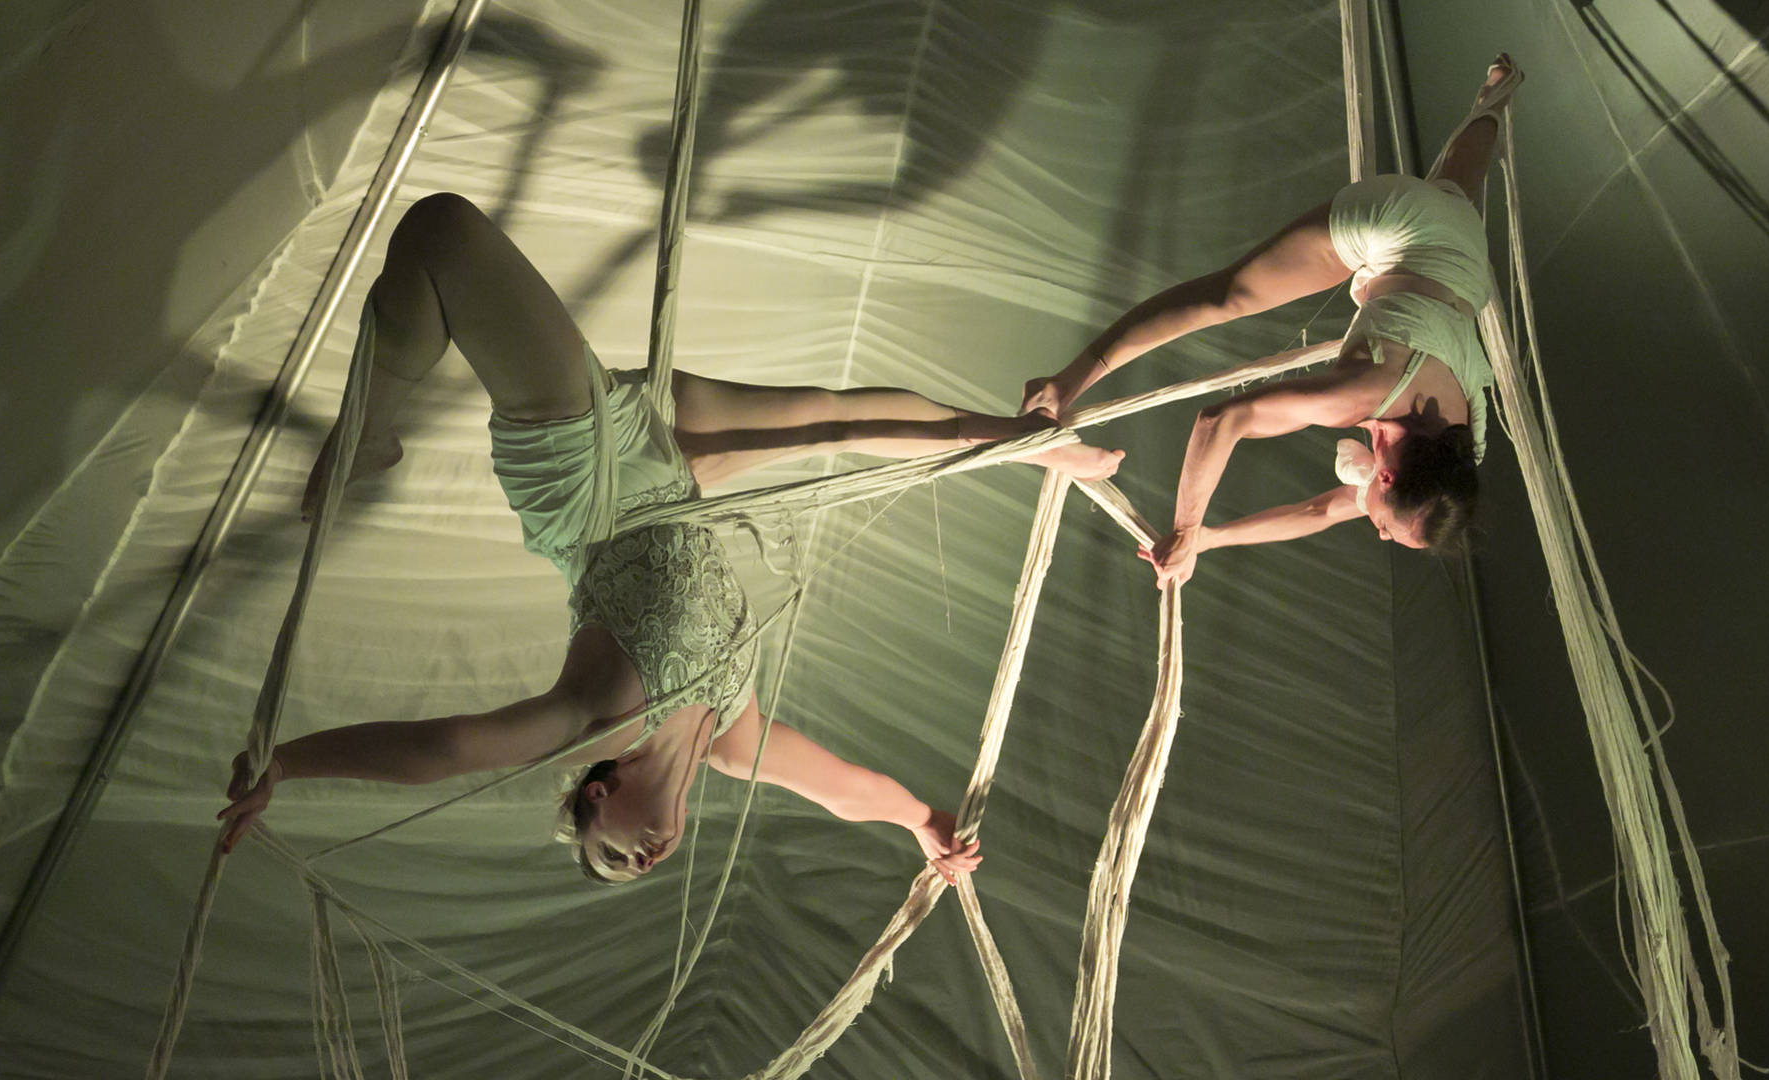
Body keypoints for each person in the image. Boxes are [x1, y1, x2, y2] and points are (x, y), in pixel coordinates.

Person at [218, 192, 1123, 885]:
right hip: (672, 474)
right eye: (629, 876)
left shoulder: (598, 708)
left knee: (443, 234)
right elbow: (844, 790)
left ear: (596, 795)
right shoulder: (734, 741)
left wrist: (288, 763)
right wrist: (922, 823)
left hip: (590, 489)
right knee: (836, 422)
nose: (633, 868)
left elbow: (443, 751)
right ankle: (1019, 447)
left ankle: (370, 434)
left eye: (606, 856)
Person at [1021, 56, 1522, 580]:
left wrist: (1212, 539)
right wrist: (1187, 528)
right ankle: (1065, 382)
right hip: (1398, 224)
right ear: (1389, 480)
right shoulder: (1360, 394)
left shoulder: (1453, 460)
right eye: (1389, 531)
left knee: (1455, 191)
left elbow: (1319, 512)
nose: (1378, 533)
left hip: (1463, 252)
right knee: (1226, 297)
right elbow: (1220, 421)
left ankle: (1494, 99)